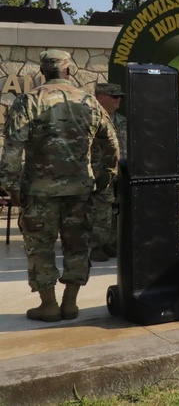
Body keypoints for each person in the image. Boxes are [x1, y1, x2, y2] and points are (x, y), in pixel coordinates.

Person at [0, 50, 118, 322]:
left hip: (39, 190)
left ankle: (49, 305)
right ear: (69, 71)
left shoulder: (28, 100)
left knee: (40, 246)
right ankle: (70, 303)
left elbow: (13, 148)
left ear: (43, 72)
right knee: (77, 246)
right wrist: (103, 178)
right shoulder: (89, 101)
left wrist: (11, 185)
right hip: (80, 189)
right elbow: (111, 144)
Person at [90, 82, 127, 261]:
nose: (118, 99)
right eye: (114, 96)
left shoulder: (120, 120)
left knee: (114, 210)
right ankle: (96, 246)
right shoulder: (90, 118)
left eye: (120, 96)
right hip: (99, 173)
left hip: (118, 172)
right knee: (100, 211)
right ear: (101, 97)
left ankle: (110, 242)